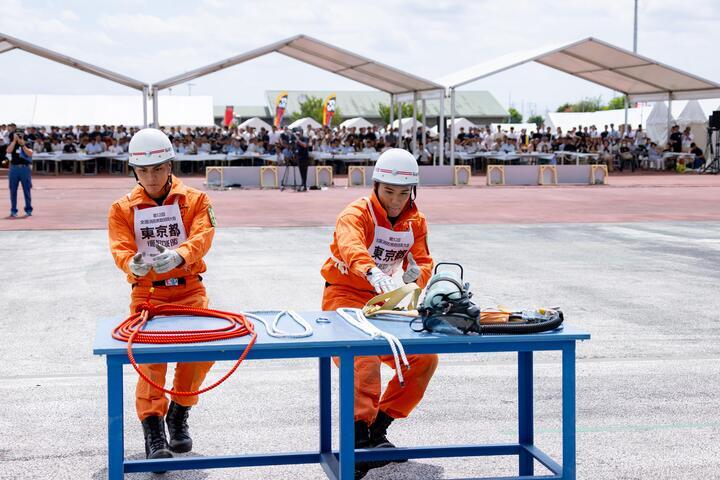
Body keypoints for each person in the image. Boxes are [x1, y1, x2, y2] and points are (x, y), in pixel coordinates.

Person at [320, 148, 437, 477]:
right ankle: (358, 438)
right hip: (343, 295)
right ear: (375, 187)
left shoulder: (416, 221)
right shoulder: (355, 214)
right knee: (364, 358)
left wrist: (418, 278)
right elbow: (350, 244)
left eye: (404, 193)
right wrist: (372, 272)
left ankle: (378, 431)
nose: (396, 201)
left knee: (424, 359)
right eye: (389, 192)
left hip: (384, 301)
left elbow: (423, 260)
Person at [108, 128, 217, 463]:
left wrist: (182, 254)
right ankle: (154, 429)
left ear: (170, 165)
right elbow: (120, 248)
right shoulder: (121, 209)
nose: (152, 177)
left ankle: (179, 412)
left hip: (189, 290)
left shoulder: (196, 200)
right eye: (144, 171)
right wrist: (132, 264)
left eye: (158, 168)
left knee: (199, 356)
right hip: (148, 295)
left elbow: (204, 234)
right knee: (151, 364)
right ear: (134, 171)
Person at [7, 125, 34, 218]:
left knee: (27, 190)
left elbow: (30, 153)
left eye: (20, 133)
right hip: (14, 168)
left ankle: (28, 209)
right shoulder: (12, 143)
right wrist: (14, 141)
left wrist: (22, 144)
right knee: (13, 190)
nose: (19, 135)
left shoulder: (27, 142)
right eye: (17, 133)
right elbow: (8, 151)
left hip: (24, 168)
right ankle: (13, 210)